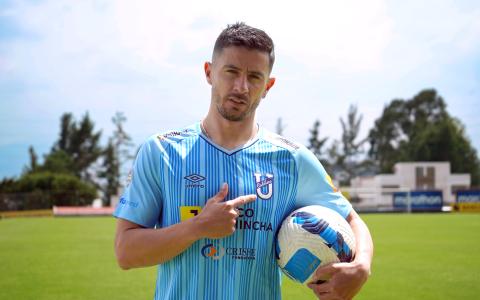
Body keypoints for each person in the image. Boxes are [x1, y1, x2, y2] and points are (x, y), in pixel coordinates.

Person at [114, 22, 373, 300]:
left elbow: (350, 218)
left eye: (254, 77)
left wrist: (362, 266)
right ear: (209, 72)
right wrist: (197, 227)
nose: (241, 87)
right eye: (232, 72)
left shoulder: (292, 159)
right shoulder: (161, 151)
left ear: (268, 86)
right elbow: (126, 252)